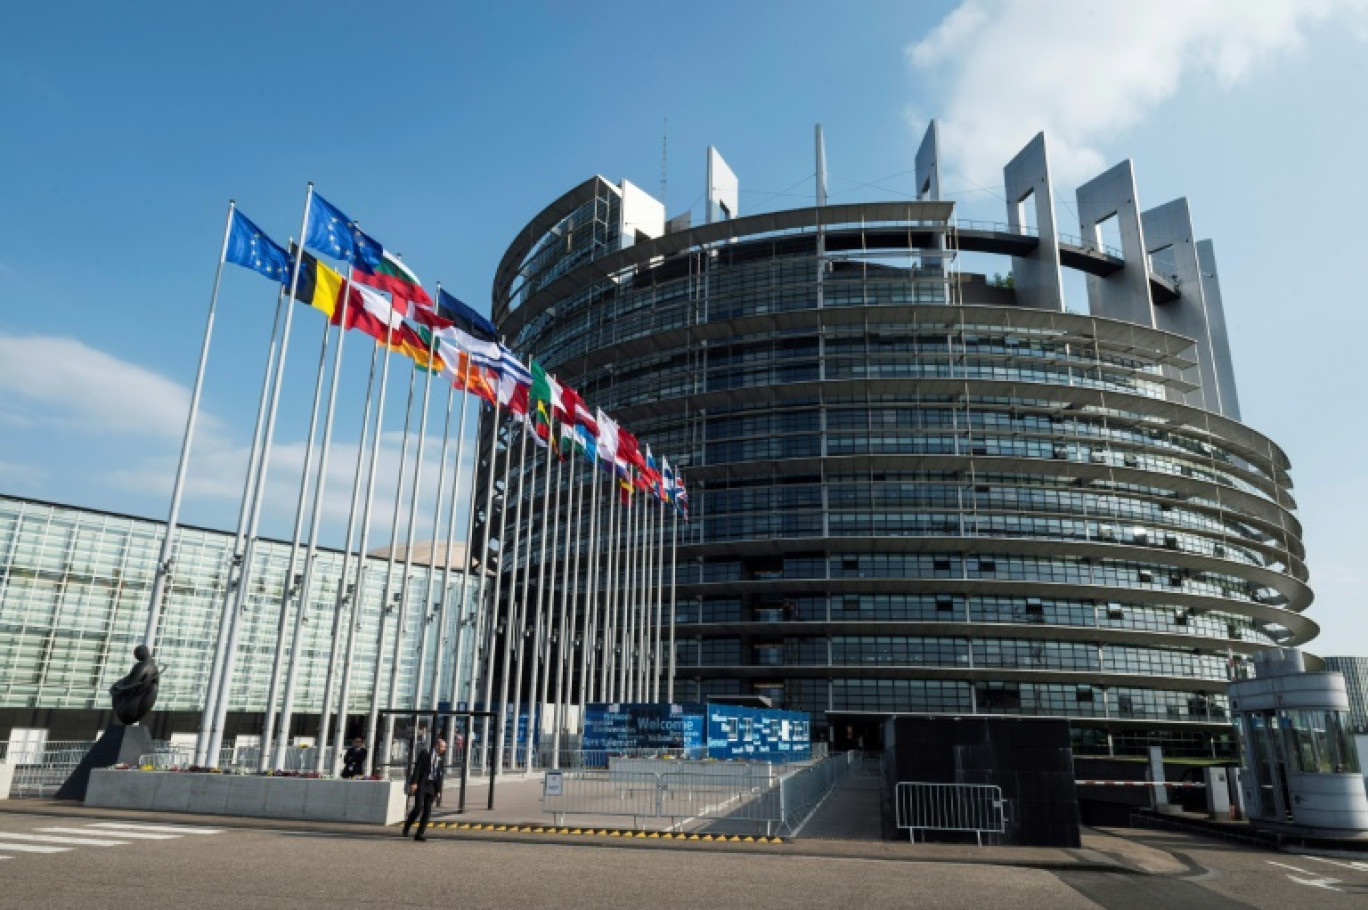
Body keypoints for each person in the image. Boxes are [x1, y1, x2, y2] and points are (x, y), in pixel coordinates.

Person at [402, 737, 446, 841]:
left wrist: (439, 790)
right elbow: (417, 768)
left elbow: (439, 776)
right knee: (418, 808)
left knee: (427, 811)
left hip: (432, 786)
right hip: (422, 783)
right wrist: (414, 783)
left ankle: (419, 833)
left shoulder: (440, 758)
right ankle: (407, 825)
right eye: (443, 747)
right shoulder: (425, 754)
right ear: (437, 746)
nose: (444, 749)